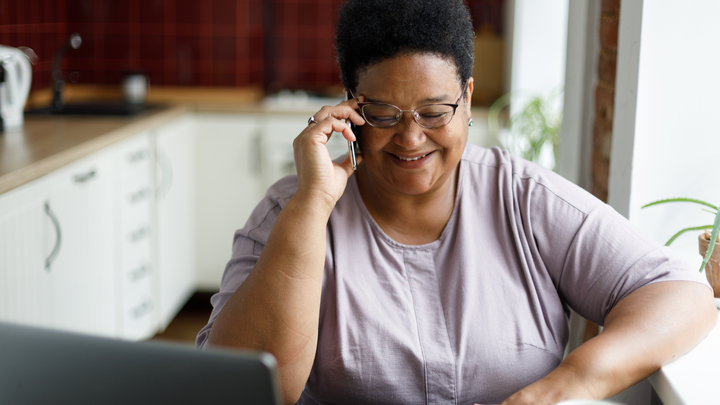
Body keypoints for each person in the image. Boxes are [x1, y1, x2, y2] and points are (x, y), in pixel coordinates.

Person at [196, 0, 717, 404]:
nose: (410, 137)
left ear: (467, 99)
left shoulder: (522, 197)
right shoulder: (292, 212)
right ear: (349, 108)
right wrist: (312, 207)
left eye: (434, 110)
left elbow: (678, 291)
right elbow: (241, 390)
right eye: (382, 112)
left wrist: (566, 384)